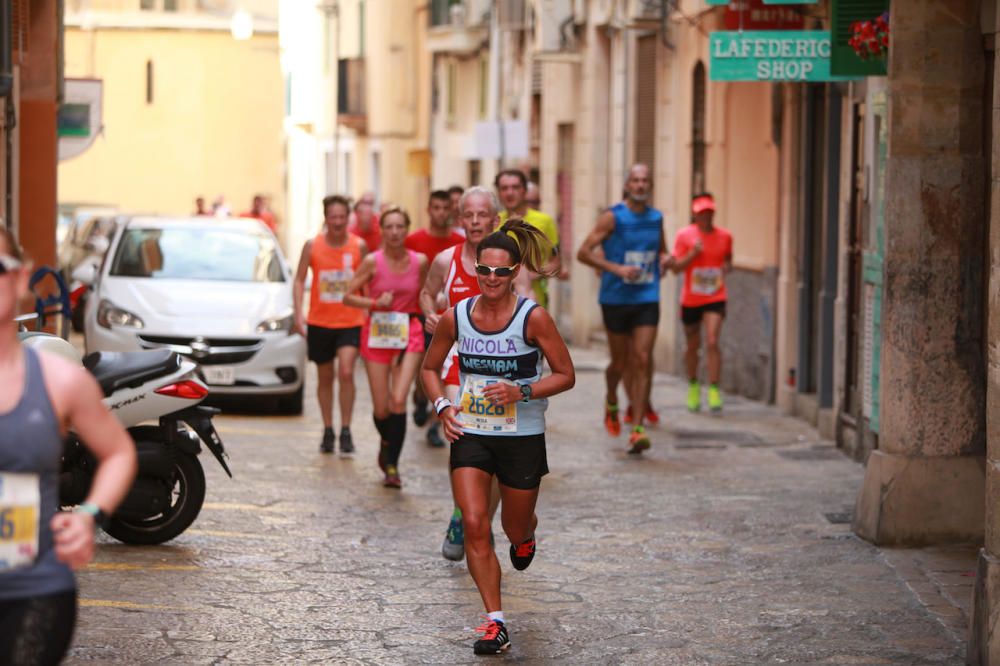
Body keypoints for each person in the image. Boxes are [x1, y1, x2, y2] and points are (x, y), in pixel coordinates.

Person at [421, 218, 575, 656]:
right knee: (474, 522)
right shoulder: (457, 317)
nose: (491, 279)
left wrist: (520, 390)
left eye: (501, 272)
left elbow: (566, 375)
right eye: (484, 271)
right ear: (475, 272)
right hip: (472, 431)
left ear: (514, 273)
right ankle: (495, 622)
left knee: (512, 525)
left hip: (523, 435)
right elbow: (430, 369)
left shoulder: (534, 318)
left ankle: (526, 533)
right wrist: (443, 408)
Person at [0, 227, 137, 665]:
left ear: (20, 279)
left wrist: (90, 514)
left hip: (33, 593)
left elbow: (118, 451)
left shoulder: (59, 380)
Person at [420, 186, 528, 561]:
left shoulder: (510, 264)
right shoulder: (444, 260)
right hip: (456, 366)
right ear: (460, 219)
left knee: (496, 456)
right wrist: (431, 316)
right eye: (469, 214)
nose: (476, 221)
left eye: (483, 215)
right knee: (464, 443)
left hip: (500, 370)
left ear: (495, 220)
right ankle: (465, 515)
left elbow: (530, 307)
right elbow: (427, 293)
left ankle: (477, 517)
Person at [576, 163, 672, 454]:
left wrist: (667, 260)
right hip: (616, 298)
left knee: (642, 358)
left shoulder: (656, 218)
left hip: (646, 295)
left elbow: (662, 250)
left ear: (650, 185)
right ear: (627, 185)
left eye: (645, 180)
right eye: (635, 180)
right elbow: (583, 253)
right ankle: (611, 398)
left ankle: (638, 427)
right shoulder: (612, 218)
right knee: (619, 363)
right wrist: (615, 268)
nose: (640, 185)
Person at [343, 208, 429, 488]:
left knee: (398, 400)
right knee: (381, 409)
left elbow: (427, 293)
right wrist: (374, 304)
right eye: (389, 227)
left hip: (410, 332)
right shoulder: (371, 261)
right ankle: (386, 440)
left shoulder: (420, 261)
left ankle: (392, 465)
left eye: (399, 227)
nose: (394, 232)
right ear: (382, 230)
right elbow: (347, 296)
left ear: (407, 229)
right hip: (378, 333)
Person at [293, 195, 368, 455]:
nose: (337, 222)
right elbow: (300, 279)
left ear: (348, 218)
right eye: (332, 217)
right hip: (320, 321)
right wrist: (298, 314)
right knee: (325, 377)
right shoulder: (312, 246)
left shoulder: (359, 246)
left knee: (346, 372)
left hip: (351, 320)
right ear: (326, 218)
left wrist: (369, 312)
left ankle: (346, 429)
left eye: (342, 217)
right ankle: (328, 429)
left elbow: (368, 281)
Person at [405, 190, 464, 439]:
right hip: (422, 315)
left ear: (452, 210)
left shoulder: (459, 242)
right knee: (423, 369)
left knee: (442, 370)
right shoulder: (414, 241)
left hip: (451, 319)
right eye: (436, 207)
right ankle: (419, 396)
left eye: (445, 207)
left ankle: (433, 422)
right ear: (429, 210)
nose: (441, 212)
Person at [671, 192, 733, 412]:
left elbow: (728, 261)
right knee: (692, 345)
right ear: (694, 215)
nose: (705, 217)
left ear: (713, 214)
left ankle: (714, 388)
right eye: (701, 214)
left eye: (708, 213)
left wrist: (726, 268)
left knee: (713, 340)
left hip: (715, 296)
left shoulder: (725, 236)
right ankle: (694, 384)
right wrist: (693, 254)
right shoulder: (685, 236)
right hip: (691, 298)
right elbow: (676, 268)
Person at [494, 169, 564, 308]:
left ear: (525, 191)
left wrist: (532, 273)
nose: (510, 192)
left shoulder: (545, 221)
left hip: (534, 302)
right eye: (504, 188)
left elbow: (556, 263)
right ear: (498, 193)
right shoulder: (493, 222)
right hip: (496, 304)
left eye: (515, 187)